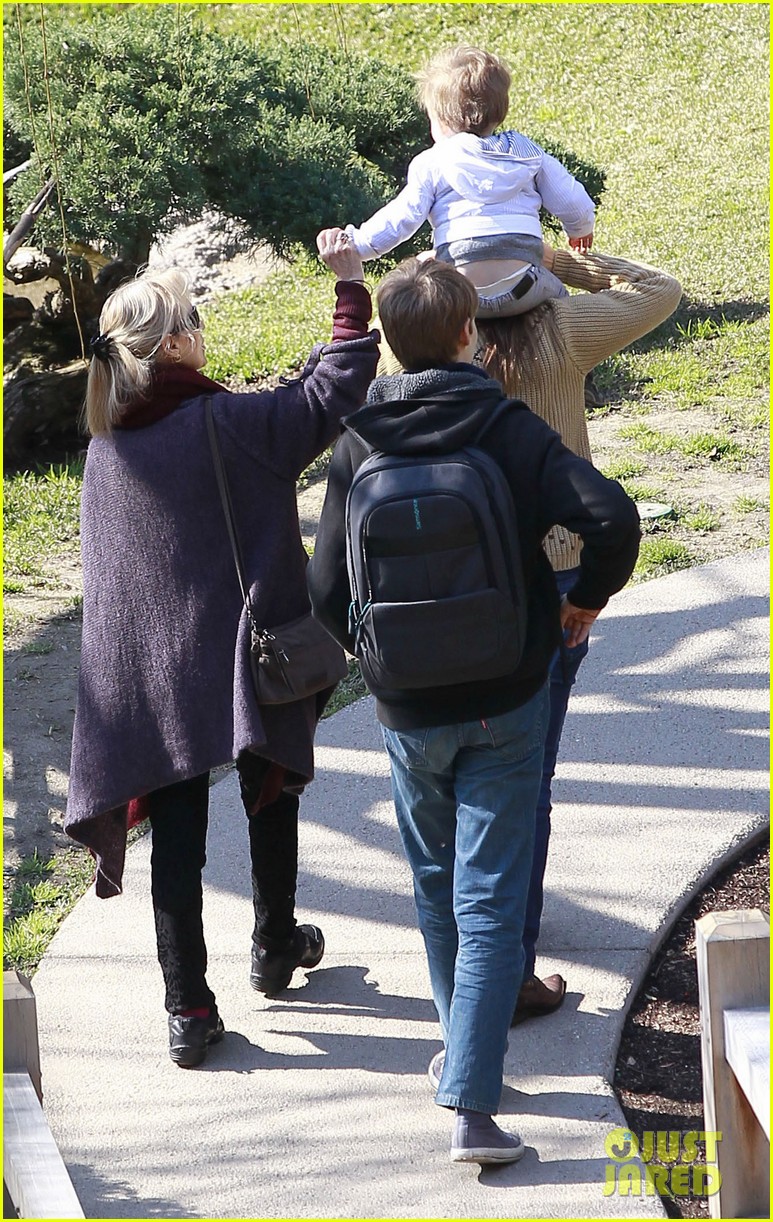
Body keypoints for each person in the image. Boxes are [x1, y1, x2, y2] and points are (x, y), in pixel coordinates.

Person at [307, 257, 640, 1164]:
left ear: (389, 343)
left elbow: (321, 589)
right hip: (508, 694)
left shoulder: (357, 442)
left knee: (434, 884)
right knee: (490, 896)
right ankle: (471, 1106)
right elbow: (609, 515)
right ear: (466, 336)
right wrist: (582, 603)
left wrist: (378, 660)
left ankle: (464, 1053)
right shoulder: (502, 426)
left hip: (407, 710)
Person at [65, 231, 379, 1068]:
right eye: (193, 320)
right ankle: (274, 945)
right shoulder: (222, 424)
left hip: (150, 675)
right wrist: (350, 290)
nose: (202, 331)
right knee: (269, 784)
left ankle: (187, 1009)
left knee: (178, 836)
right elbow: (330, 392)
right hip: (241, 655)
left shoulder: (107, 445)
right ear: (172, 345)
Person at [477, 245, 682, 1023]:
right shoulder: (564, 327)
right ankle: (514, 959)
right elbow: (661, 288)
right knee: (530, 774)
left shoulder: (433, 339)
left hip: (469, 578)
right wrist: (572, 261)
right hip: (560, 572)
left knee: (474, 776)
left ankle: (493, 934)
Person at [341, 45, 595, 320]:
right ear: (499, 113)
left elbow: (400, 218)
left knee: (444, 301)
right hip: (526, 282)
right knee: (560, 302)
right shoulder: (527, 154)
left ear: (440, 120)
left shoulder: (433, 162)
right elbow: (571, 198)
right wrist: (580, 228)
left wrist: (359, 245)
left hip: (462, 292)